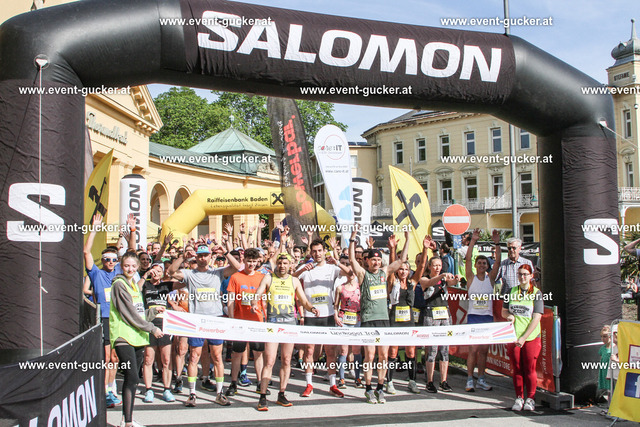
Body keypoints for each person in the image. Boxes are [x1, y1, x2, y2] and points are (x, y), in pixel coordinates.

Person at [167, 243, 242, 408]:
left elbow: (237, 267)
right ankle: (192, 393)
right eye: (199, 256)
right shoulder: (189, 273)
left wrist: (226, 252)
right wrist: (183, 257)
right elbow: (171, 272)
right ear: (196, 257)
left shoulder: (217, 272)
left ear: (210, 256)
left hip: (215, 319)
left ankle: (219, 393)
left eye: (205, 255)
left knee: (217, 357)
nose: (202, 258)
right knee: (194, 357)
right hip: (196, 320)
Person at [349, 225, 409, 404]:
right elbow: (351, 259)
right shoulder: (363, 275)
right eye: (373, 260)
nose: (376, 263)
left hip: (384, 320)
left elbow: (401, 260)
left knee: (383, 356)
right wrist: (353, 237)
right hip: (369, 320)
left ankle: (380, 388)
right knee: (369, 356)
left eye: (378, 260)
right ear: (367, 261)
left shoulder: (384, 272)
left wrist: (407, 240)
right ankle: (368, 388)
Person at [253, 253, 319, 411]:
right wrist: (254, 303)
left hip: (289, 325)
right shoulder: (269, 278)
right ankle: (263, 396)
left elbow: (303, 300)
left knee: (287, 360)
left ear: (290, 265)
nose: (282, 266)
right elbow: (258, 293)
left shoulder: (294, 280)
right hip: (273, 325)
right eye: (280, 263)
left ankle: (281, 394)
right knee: (269, 361)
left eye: (285, 263)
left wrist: (312, 308)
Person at [84, 212, 136, 408]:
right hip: (103, 319)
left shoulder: (119, 273)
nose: (111, 262)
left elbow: (132, 252)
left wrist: (132, 230)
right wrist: (94, 230)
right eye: (107, 259)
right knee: (105, 357)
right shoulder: (96, 274)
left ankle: (110, 388)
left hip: (118, 319)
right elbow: (86, 252)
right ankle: (103, 391)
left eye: (114, 259)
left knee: (114, 357)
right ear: (102, 260)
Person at [109, 252, 164, 427]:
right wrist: (152, 328)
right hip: (123, 336)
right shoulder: (119, 284)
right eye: (126, 266)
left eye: (133, 266)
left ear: (138, 267)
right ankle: (127, 422)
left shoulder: (133, 285)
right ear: (121, 266)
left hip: (138, 337)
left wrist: (153, 312)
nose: (130, 269)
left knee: (133, 380)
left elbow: (139, 313)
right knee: (131, 377)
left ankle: (127, 419)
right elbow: (129, 315)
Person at [294, 239, 344, 398]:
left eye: (320, 250)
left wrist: (337, 262)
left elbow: (350, 274)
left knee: (330, 351)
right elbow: (291, 279)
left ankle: (333, 385)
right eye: (314, 251)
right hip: (311, 315)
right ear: (311, 252)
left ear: (324, 251)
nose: (317, 254)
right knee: (309, 350)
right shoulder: (306, 268)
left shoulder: (332, 268)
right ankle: (309, 384)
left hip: (328, 314)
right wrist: (301, 270)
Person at [387, 235, 430, 394]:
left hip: (409, 321)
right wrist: (392, 249)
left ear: (409, 271)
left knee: (411, 352)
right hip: (394, 320)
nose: (403, 272)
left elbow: (422, 266)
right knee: (393, 352)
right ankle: (389, 381)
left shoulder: (412, 282)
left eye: (406, 269)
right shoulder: (393, 282)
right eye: (401, 269)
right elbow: (392, 265)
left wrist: (425, 248)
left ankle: (412, 381)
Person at [502, 264, 543, 411]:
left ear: (531, 276)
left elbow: (537, 318)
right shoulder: (511, 291)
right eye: (520, 274)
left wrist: (524, 337)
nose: (522, 277)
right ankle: (519, 397)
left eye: (525, 274)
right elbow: (503, 311)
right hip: (514, 336)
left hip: (531, 336)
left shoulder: (536, 293)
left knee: (530, 368)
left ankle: (530, 398)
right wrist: (509, 316)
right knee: (517, 368)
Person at [464, 228, 501, 392]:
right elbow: (467, 259)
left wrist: (497, 243)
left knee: (484, 351)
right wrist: (473, 241)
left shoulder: (490, 279)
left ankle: (481, 378)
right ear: (475, 265)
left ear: (487, 266)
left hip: (487, 318)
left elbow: (498, 262)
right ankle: (469, 379)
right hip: (474, 317)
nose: (481, 265)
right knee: (473, 350)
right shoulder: (470, 278)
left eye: (484, 263)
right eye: (479, 263)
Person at [225, 248, 266, 397]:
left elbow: (265, 300)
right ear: (244, 260)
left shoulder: (262, 277)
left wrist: (265, 318)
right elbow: (230, 300)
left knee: (258, 353)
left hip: (257, 321)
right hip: (240, 321)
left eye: (254, 262)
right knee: (237, 353)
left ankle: (260, 383)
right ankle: (233, 383)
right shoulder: (236, 277)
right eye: (249, 261)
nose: (251, 264)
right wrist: (231, 319)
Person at [419, 256, 460, 393]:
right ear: (430, 266)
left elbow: (452, 282)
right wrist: (441, 276)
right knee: (432, 350)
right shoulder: (424, 279)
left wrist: (456, 279)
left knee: (444, 350)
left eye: (439, 265)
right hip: (431, 314)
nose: (437, 268)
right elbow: (430, 282)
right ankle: (430, 381)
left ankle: (443, 381)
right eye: (435, 265)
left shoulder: (443, 280)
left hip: (445, 314)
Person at [140, 263, 176, 403]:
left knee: (166, 359)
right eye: (154, 271)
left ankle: (167, 389)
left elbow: (184, 283)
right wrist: (146, 275)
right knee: (148, 359)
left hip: (164, 324)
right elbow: (135, 288)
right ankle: (149, 389)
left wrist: (169, 274)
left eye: (159, 271)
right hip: (149, 323)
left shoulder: (165, 285)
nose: (156, 273)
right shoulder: (145, 284)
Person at [333, 254, 363, 389]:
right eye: (348, 271)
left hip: (356, 319)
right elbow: (336, 305)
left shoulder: (360, 286)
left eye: (352, 272)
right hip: (343, 319)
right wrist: (336, 316)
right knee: (343, 350)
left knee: (356, 350)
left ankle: (357, 377)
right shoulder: (340, 287)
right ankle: (342, 378)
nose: (351, 274)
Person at [596, 325, 612, 402]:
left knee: (612, 387)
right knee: (608, 389)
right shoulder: (602, 348)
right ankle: (609, 403)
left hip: (611, 370)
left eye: (605, 336)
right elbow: (601, 358)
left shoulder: (614, 348)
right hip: (604, 370)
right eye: (601, 336)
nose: (602, 339)